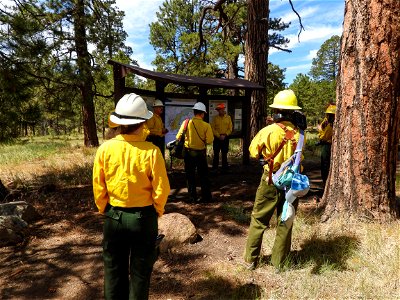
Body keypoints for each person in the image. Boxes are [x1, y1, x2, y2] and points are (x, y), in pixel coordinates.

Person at [93, 93, 170, 300]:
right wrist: (157, 211)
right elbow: (161, 188)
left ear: (119, 122)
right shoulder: (152, 151)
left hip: (113, 216)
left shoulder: (105, 149)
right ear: (144, 121)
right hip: (143, 218)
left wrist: (104, 209)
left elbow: (98, 185)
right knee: (140, 272)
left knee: (112, 269)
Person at [243, 89, 305, 271]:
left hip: (270, 180)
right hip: (292, 185)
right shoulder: (300, 134)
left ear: (277, 111)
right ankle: (279, 263)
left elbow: (253, 152)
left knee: (259, 220)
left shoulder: (268, 130)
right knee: (285, 221)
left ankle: (251, 260)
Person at [176, 102, 214, 203]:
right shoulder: (206, 125)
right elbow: (209, 140)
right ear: (203, 113)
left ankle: (192, 198)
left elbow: (178, 137)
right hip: (200, 154)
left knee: (190, 176)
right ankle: (206, 197)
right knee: (204, 176)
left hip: (188, 154)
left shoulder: (186, 123)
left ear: (194, 112)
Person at [317, 103, 336, 187]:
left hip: (327, 146)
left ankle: (326, 183)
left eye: (330, 115)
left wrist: (320, 130)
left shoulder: (330, 126)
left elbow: (323, 137)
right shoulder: (329, 123)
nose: (328, 116)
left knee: (325, 166)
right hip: (328, 146)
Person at [211, 103, 233, 172]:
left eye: (221, 109)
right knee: (216, 153)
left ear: (224, 109)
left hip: (225, 138)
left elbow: (230, 128)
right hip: (217, 138)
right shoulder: (215, 118)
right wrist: (218, 135)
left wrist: (225, 135)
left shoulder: (228, 118)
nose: (220, 111)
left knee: (224, 153)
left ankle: (225, 168)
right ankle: (215, 168)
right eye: (218, 110)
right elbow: (212, 128)